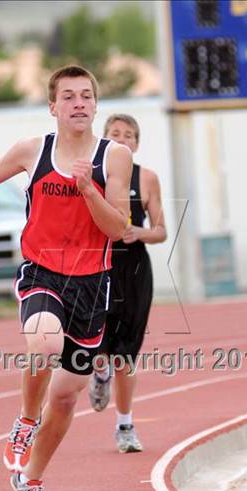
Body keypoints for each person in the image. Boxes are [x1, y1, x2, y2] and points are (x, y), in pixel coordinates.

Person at [0, 65, 132, 491]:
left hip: (91, 283)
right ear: (53, 107)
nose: (78, 103)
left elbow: (117, 228)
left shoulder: (113, 157)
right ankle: (24, 419)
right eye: (69, 96)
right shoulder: (32, 150)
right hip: (42, 272)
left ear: (96, 105)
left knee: (65, 398)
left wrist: (87, 189)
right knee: (43, 345)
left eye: (86, 96)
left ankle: (31, 482)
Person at [89, 114, 166, 453]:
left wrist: (139, 233)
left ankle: (125, 425)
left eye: (129, 135)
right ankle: (99, 374)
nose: (122, 139)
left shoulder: (147, 178)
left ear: (137, 143)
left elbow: (161, 231)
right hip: (96, 265)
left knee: (126, 356)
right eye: (115, 133)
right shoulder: (92, 175)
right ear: (103, 138)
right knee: (96, 345)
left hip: (133, 270)